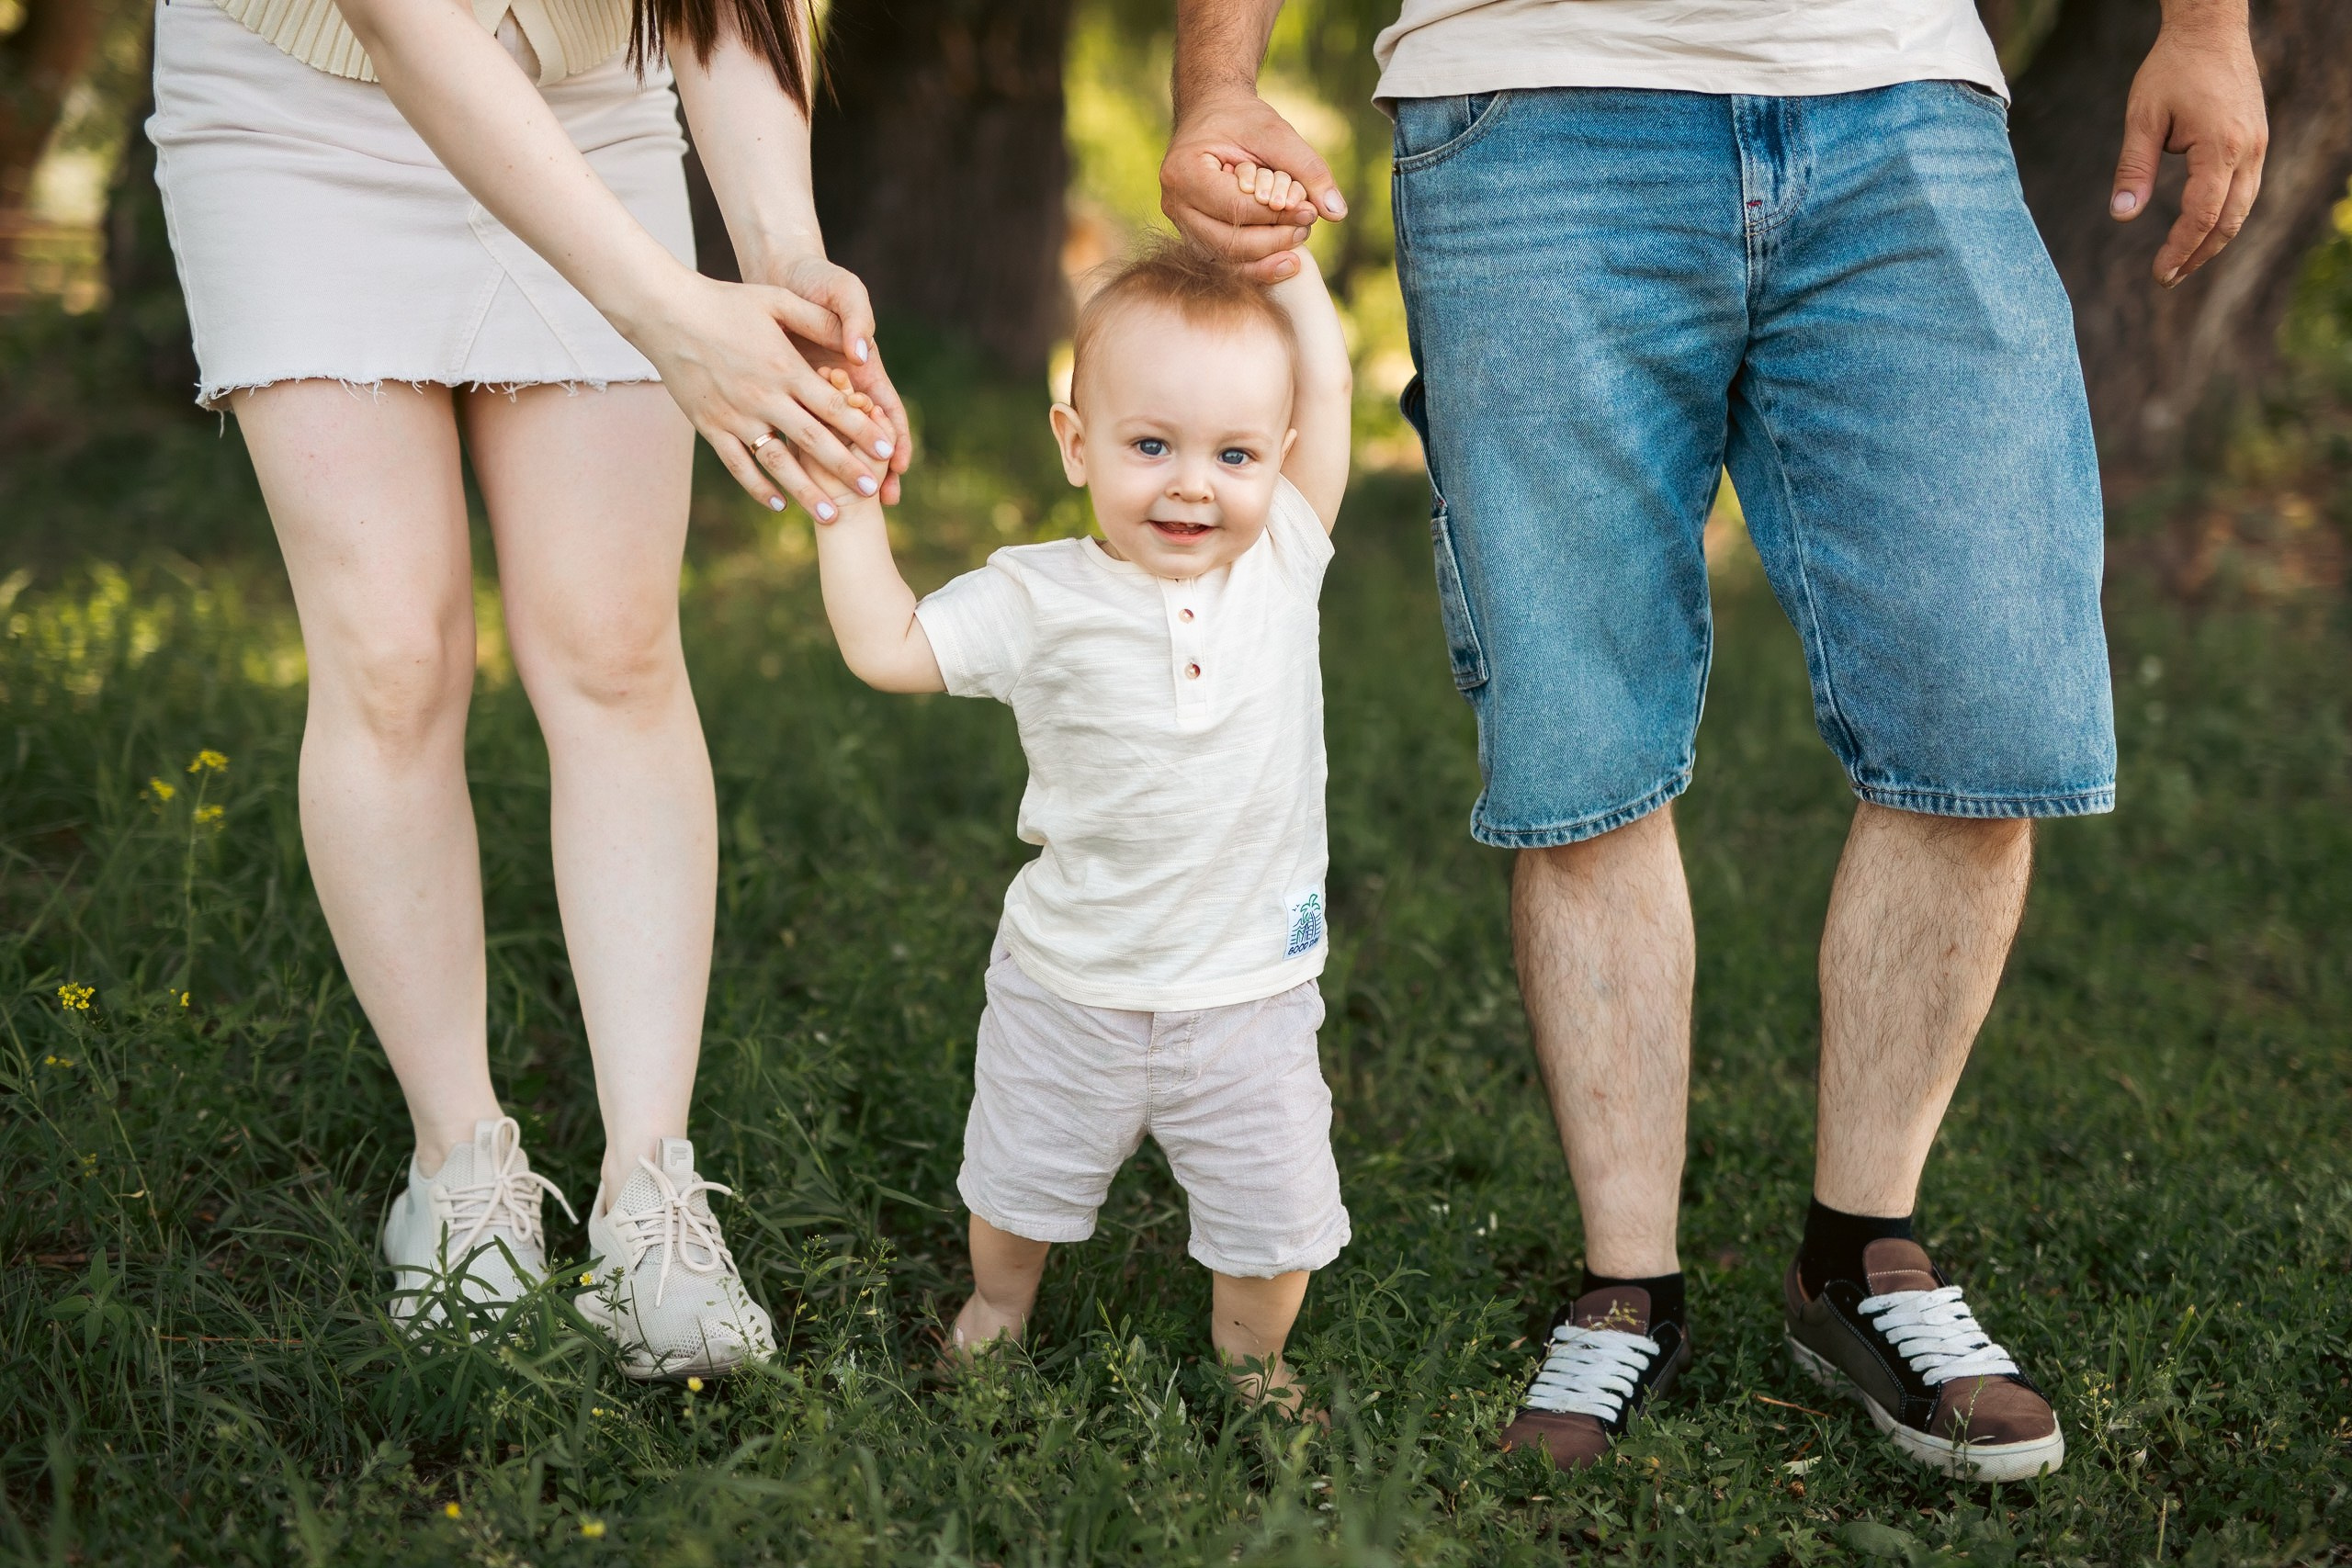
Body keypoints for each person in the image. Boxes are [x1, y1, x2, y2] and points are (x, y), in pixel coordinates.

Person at [1159, 0, 2267, 1479]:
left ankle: (1861, 1260)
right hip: (1529, 104)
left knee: (1984, 709)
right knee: (1578, 739)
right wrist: (1216, 77)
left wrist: (2207, 22)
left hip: (1901, 91)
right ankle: (1631, 1286)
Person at [148, 0, 912, 1376]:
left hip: (590, 112)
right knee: (393, 655)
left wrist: (785, 264)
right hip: (295, 119)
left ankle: (650, 1194)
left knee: (616, 644)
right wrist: (671, 312)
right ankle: (460, 1165)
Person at [808, 220, 1354, 1412]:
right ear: (1076, 441)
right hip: (1071, 986)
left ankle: (1255, 1366)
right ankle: (998, 1309)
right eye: (1151, 444)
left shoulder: (1282, 562)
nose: (1193, 484)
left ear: (1281, 459)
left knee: (1276, 1225)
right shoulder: (1036, 596)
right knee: (1014, 1196)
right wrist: (844, 499)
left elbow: (1334, 382)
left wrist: (1294, 270)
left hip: (1250, 992)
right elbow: (887, 645)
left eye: (1235, 454)